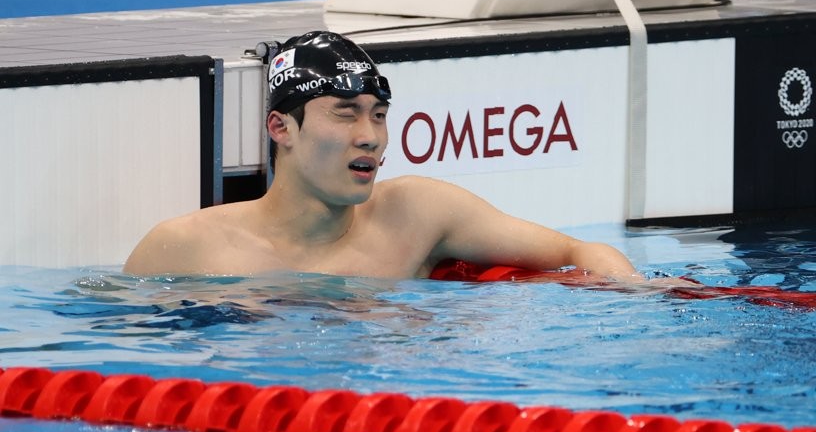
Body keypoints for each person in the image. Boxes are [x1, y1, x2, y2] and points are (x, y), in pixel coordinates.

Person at [123, 31, 640, 281]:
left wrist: (634, 300)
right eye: (345, 114)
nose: (370, 136)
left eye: (378, 114)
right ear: (281, 127)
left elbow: (579, 251)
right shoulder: (186, 248)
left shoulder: (418, 212)